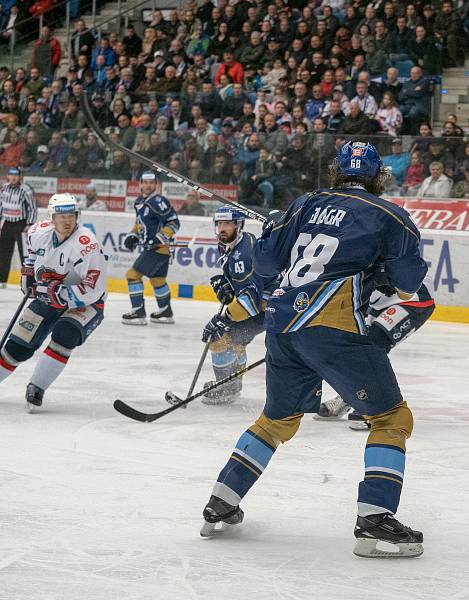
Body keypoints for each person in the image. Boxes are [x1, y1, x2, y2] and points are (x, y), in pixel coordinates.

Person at [200, 141, 428, 559]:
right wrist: (378, 265)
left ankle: (222, 500)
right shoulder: (393, 216)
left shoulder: (307, 202)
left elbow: (266, 265)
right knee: (392, 417)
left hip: (283, 327)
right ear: (379, 176)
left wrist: (273, 231)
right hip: (333, 329)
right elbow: (411, 288)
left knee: (275, 420)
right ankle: (374, 518)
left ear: (337, 172)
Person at [0, 194, 108, 410]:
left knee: (65, 334)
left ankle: (37, 387)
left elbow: (94, 287)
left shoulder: (86, 244)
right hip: (47, 297)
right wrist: (28, 275)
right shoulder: (38, 232)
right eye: (61, 216)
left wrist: (60, 293)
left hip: (86, 303)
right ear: (51, 217)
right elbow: (31, 257)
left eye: (71, 215)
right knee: (17, 347)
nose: (67, 221)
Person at [316, 281, 435, 429]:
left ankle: (376, 408)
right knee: (356, 347)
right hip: (377, 304)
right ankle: (349, 398)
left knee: (373, 344)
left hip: (412, 301)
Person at [197, 207, 268, 405]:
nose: (222, 228)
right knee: (236, 341)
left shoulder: (243, 255)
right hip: (267, 305)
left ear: (239, 225)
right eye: (219, 224)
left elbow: (251, 301)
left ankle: (227, 388)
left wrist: (225, 318)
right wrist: (230, 288)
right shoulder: (238, 242)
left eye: (227, 224)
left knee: (218, 337)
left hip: (265, 308)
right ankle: (232, 383)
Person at [121, 172, 180, 325]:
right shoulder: (140, 201)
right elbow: (139, 223)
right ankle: (165, 312)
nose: (148, 185)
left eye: (151, 182)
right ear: (140, 184)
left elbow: (174, 223)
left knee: (133, 275)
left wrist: (159, 238)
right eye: (145, 182)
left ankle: (138, 312)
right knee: (158, 280)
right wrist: (132, 235)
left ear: (156, 185)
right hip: (158, 250)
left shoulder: (159, 201)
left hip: (158, 248)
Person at [0, 167, 36, 289]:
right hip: (7, 223)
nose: (13, 177)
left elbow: (32, 208)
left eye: (16, 175)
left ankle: (27, 281)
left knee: (24, 255)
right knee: (4, 253)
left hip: (21, 225)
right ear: (8, 176)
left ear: (20, 177)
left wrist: (30, 224)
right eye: (11, 174)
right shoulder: (4, 188)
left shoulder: (26, 190)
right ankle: (2, 280)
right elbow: (1, 204)